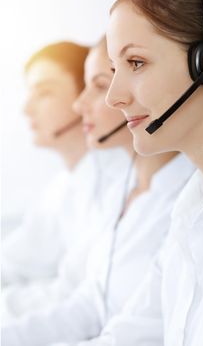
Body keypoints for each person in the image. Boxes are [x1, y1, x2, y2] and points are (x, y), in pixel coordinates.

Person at [1, 37, 195, 346]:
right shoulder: (124, 191)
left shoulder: (188, 203)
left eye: (99, 85)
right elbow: (90, 305)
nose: (81, 104)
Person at [80, 0, 203, 345]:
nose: (113, 97)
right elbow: (126, 335)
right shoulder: (191, 212)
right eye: (114, 69)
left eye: (135, 62)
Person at [1, 41, 131, 323]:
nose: (27, 109)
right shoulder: (62, 186)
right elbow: (17, 259)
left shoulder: (121, 184)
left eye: (44, 93)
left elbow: (77, 297)